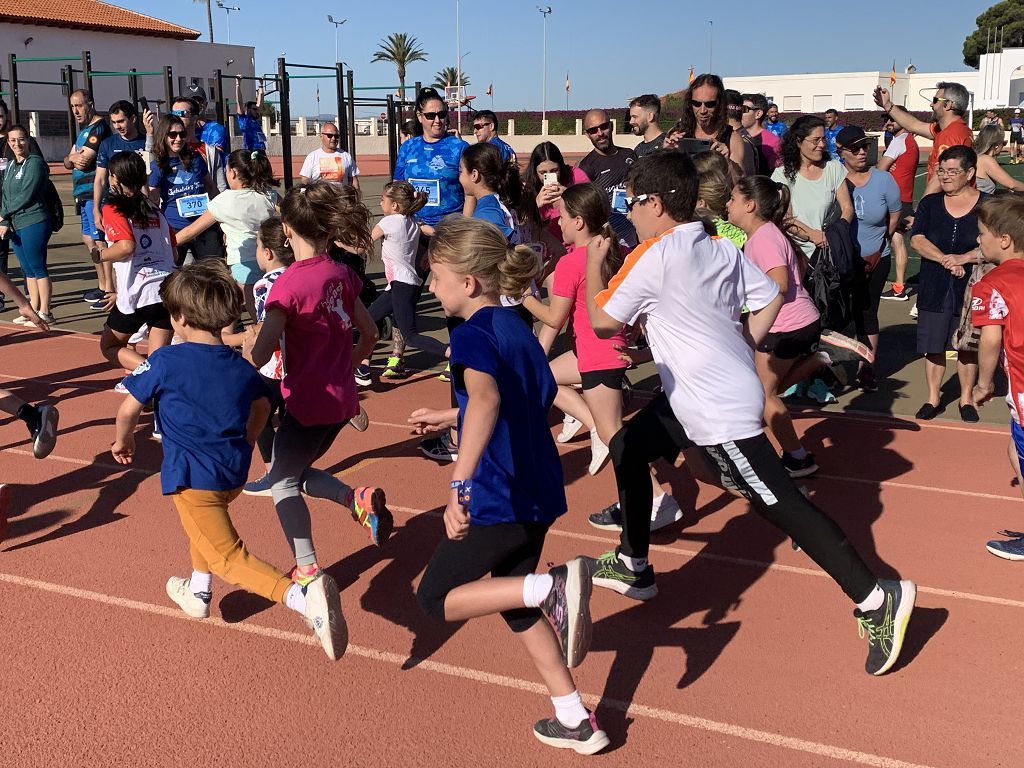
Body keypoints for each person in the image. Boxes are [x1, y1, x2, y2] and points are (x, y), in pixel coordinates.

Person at [584, 150, 916, 677]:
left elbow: (602, 320)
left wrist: (591, 261)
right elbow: (768, 295)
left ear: (654, 202)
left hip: (717, 410)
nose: (628, 211)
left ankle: (877, 596)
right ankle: (633, 562)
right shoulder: (717, 246)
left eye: (630, 201)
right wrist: (734, 346)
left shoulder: (654, 254)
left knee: (781, 504)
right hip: (693, 396)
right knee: (630, 447)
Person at [409, 216, 608, 754]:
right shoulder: (517, 327)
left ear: (468, 282)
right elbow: (524, 398)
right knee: (514, 600)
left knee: (433, 600)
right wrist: (453, 415)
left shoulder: (471, 335)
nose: (429, 287)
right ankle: (574, 717)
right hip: (540, 488)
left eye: (435, 277)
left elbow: (492, 401)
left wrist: (459, 483)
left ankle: (554, 587)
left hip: (501, 493)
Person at [111, 260, 348, 660]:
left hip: (191, 477)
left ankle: (303, 600)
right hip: (232, 474)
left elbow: (129, 409)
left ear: (180, 318)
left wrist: (122, 442)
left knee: (227, 555)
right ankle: (198, 590)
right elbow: (262, 403)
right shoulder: (242, 367)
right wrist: (252, 436)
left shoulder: (166, 361)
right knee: (204, 530)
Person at [248, 181, 392, 590]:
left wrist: (242, 350)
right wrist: (345, 367)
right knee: (294, 468)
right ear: (327, 230)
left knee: (282, 483)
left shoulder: (288, 285)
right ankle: (356, 500)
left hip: (307, 403)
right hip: (341, 402)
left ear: (288, 232)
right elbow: (370, 335)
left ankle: (308, 568)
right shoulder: (342, 274)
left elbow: (260, 354)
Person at [727, 175, 823, 477]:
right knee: (768, 390)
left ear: (750, 205)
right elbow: (798, 271)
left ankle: (798, 457)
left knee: (761, 397)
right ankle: (821, 360)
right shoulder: (767, 234)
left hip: (783, 326)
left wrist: (750, 307)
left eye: (733, 199)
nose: (728, 205)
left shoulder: (764, 238)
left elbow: (779, 285)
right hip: (798, 321)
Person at [93, 152, 176, 411]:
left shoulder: (114, 207)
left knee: (109, 345)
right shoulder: (154, 209)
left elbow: (126, 246)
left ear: (115, 178)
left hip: (140, 291)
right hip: (167, 288)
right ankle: (162, 419)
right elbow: (172, 249)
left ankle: (150, 375)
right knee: (159, 356)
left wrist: (100, 254)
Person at [909, 145, 985, 422]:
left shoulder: (986, 204)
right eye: (942, 170)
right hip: (934, 285)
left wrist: (963, 258)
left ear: (970, 173)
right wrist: (945, 259)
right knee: (934, 344)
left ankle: (966, 399)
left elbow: (995, 247)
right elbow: (917, 238)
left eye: (952, 171)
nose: (945, 176)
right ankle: (933, 397)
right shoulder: (930, 203)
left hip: (971, 287)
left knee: (967, 345)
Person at [970, 196, 1024, 559]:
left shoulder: (992, 283)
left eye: (982, 234)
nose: (978, 241)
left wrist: (983, 384)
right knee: (1014, 451)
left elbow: (990, 339)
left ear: (1004, 239)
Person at [174, 149, 278, 319]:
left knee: (252, 307)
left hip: (242, 261)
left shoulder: (223, 201)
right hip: (269, 258)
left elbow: (191, 231)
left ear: (234, 173)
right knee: (267, 300)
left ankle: (264, 338)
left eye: (226, 170)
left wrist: (165, 243)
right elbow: (290, 213)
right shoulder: (268, 195)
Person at [360, 181, 447, 382]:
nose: (380, 203)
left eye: (383, 200)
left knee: (411, 336)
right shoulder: (411, 221)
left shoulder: (389, 222)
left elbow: (362, 246)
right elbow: (431, 232)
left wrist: (337, 241)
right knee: (369, 318)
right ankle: (361, 364)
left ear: (394, 206)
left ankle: (451, 352)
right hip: (401, 285)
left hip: (401, 285)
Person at [836, 126, 902, 392]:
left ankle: (866, 368)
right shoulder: (834, 177)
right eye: (855, 148)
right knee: (838, 315)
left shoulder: (884, 180)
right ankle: (831, 368)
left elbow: (895, 216)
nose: (862, 152)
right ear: (841, 152)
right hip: (842, 259)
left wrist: (879, 242)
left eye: (865, 146)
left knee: (867, 313)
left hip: (875, 259)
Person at [239, 217, 293, 494]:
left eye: (258, 246)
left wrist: (230, 340)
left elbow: (264, 329)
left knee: (257, 413)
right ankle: (291, 466)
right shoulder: (299, 275)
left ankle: (273, 472)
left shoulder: (264, 285)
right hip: (300, 359)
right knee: (288, 415)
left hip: (274, 361)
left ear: (268, 252)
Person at [93, 100, 151, 310]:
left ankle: (137, 298)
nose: (118, 126)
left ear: (133, 119)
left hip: (140, 207)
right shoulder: (108, 144)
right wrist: (95, 208)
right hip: (115, 206)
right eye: (114, 122)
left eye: (121, 121)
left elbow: (148, 178)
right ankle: (114, 294)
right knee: (116, 250)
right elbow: (100, 178)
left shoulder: (145, 142)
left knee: (139, 251)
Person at [772, 115, 853, 262]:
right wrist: (813, 236)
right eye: (816, 140)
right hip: (794, 255)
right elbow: (785, 218)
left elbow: (847, 208)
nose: (821, 144)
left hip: (829, 253)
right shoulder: (781, 175)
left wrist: (835, 235)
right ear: (798, 141)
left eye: (823, 139)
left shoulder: (833, 168)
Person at [873, 81, 973, 195]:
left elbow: (938, 179)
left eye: (935, 100)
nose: (931, 104)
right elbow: (914, 125)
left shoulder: (949, 136)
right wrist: (887, 105)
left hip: (950, 205)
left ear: (948, 105)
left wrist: (922, 209)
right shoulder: (955, 129)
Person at [148, 115, 221, 264]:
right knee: (173, 277)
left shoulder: (196, 159)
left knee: (213, 273)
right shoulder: (158, 165)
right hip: (175, 228)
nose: (178, 138)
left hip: (203, 226)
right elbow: (152, 200)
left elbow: (211, 186)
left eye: (182, 134)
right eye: (173, 134)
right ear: (163, 136)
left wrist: (220, 217)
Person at [0, 125, 54, 325]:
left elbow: (26, 194)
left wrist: (3, 214)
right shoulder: (11, 166)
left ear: (28, 140)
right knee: (27, 268)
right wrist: (5, 218)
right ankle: (32, 308)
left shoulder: (35, 163)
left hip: (34, 220)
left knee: (38, 266)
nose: (17, 144)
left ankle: (45, 311)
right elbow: (5, 195)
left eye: (21, 139)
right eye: (13, 140)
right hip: (16, 224)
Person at [63, 89, 112, 305]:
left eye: (79, 105)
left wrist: (73, 157)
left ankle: (109, 288)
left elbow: (84, 159)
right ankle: (101, 285)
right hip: (82, 195)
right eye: (73, 106)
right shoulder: (83, 131)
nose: (76, 111)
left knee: (100, 241)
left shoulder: (99, 127)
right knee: (89, 239)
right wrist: (71, 157)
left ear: (90, 104)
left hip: (95, 194)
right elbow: (68, 161)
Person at [578, 109, 638, 248]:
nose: (600, 133)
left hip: (637, 234)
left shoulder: (629, 155)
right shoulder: (586, 167)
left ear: (611, 126)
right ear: (587, 134)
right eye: (593, 130)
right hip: (609, 242)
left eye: (603, 127)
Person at [676, 74, 753, 180]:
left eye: (710, 104)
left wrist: (727, 163)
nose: (702, 110)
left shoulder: (733, 138)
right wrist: (666, 153)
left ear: (720, 104)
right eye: (696, 103)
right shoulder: (678, 132)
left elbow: (740, 184)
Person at [878, 113, 920, 302]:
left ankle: (897, 286)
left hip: (894, 199)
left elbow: (881, 167)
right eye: (886, 120)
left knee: (891, 240)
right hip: (904, 198)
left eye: (891, 119)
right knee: (897, 241)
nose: (888, 123)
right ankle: (899, 286)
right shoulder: (910, 140)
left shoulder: (899, 141)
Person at [0, 98, 43, 279]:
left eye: (0, 115)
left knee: (28, 258)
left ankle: (31, 295)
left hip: (21, 211)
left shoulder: (21, 141)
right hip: (3, 206)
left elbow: (37, 174)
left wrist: (6, 212)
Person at [520, 141, 588, 244]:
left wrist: (570, 195)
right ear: (534, 172)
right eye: (542, 173)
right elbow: (519, 224)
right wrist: (535, 205)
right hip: (544, 247)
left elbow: (594, 207)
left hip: (574, 245)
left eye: (554, 170)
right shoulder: (527, 187)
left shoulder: (576, 176)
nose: (549, 176)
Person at [183, 84, 230, 193]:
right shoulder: (178, 131)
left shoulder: (216, 130)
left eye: (200, 101)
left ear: (205, 104)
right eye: (192, 102)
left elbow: (209, 161)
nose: (197, 105)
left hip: (212, 184)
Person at [299, 123, 360, 194]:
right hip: (319, 202)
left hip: (341, 201)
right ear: (321, 136)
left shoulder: (346, 156)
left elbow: (353, 180)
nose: (333, 138)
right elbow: (305, 180)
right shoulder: (312, 157)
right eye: (330, 136)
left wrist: (356, 198)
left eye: (336, 136)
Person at [973, 124, 1024, 195]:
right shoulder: (986, 160)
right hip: (982, 204)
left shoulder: (977, 157)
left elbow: (982, 189)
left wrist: (1003, 192)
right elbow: (1011, 184)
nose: (1003, 146)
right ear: (996, 145)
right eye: (1003, 143)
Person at [741, 93, 782, 171]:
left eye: (744, 109)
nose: (739, 113)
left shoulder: (772, 142)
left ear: (758, 114)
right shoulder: (735, 137)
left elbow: (776, 174)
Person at [234, 76, 267, 151]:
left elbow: (260, 101)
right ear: (248, 109)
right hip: (250, 149)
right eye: (254, 109)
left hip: (261, 148)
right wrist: (238, 84)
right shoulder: (243, 118)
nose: (257, 110)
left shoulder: (255, 118)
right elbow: (239, 101)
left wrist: (261, 85)